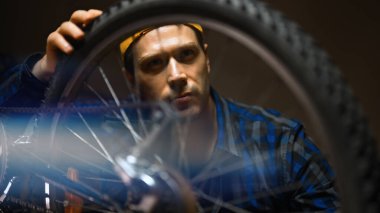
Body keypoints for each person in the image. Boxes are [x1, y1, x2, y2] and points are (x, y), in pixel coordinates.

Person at [0, 9, 339, 212]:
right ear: (131, 79)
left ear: (206, 58)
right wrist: (42, 73)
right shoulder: (102, 143)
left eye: (187, 55)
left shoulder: (279, 146)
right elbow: (13, 142)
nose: (176, 76)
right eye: (155, 64)